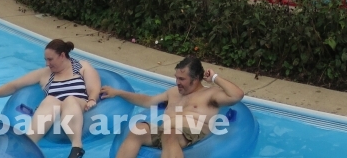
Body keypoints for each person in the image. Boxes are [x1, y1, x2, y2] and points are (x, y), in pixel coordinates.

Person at [0, 40, 100, 158]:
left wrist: (92, 99)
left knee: (69, 99)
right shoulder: (44, 74)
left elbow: (93, 87)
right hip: (54, 110)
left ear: (62, 55)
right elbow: (14, 85)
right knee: (49, 100)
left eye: (50, 59)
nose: (47, 63)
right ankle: (28, 145)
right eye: (46, 60)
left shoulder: (81, 66)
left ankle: (77, 147)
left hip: (77, 104)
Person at [102, 57, 243, 158]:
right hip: (166, 131)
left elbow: (237, 95)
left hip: (189, 134)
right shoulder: (173, 92)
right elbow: (148, 101)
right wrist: (118, 92)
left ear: (195, 79)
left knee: (170, 134)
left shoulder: (210, 94)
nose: (177, 83)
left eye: (182, 79)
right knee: (138, 129)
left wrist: (215, 78)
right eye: (176, 78)